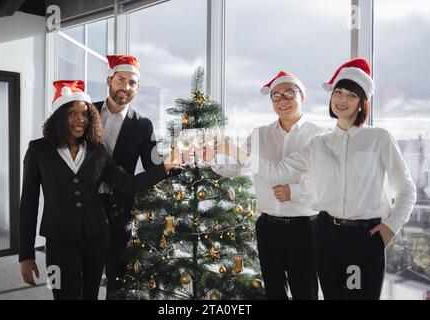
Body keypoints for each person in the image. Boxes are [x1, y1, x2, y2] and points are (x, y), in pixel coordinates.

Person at [214, 58, 417, 300]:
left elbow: (405, 188)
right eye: (338, 93)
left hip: (360, 237)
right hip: (325, 234)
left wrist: (390, 228)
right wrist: (228, 150)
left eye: (351, 96)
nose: (342, 100)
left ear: (363, 103)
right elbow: (276, 171)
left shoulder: (378, 138)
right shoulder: (319, 144)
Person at [19, 80, 179, 300]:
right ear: (59, 115)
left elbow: (128, 183)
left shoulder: (97, 150)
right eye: (72, 113)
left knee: (90, 296)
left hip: (96, 239)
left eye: (85, 114)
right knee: (62, 294)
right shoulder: (39, 150)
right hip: (58, 242)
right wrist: (26, 255)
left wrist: (165, 168)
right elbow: (28, 203)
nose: (79, 120)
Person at [208, 71, 325, 299]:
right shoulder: (259, 134)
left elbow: (324, 183)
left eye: (289, 94)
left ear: (303, 96)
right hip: (268, 227)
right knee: (274, 292)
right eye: (276, 96)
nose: (282, 100)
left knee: (305, 292)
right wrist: (211, 157)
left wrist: (295, 191)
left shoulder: (318, 136)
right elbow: (235, 168)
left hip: (305, 228)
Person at [93, 54, 172, 299]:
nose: (125, 87)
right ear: (109, 80)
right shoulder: (88, 113)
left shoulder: (143, 125)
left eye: (132, 83)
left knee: (117, 278)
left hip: (120, 208)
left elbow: (153, 165)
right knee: (85, 274)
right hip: (85, 205)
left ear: (137, 88)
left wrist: (177, 160)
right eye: (121, 79)